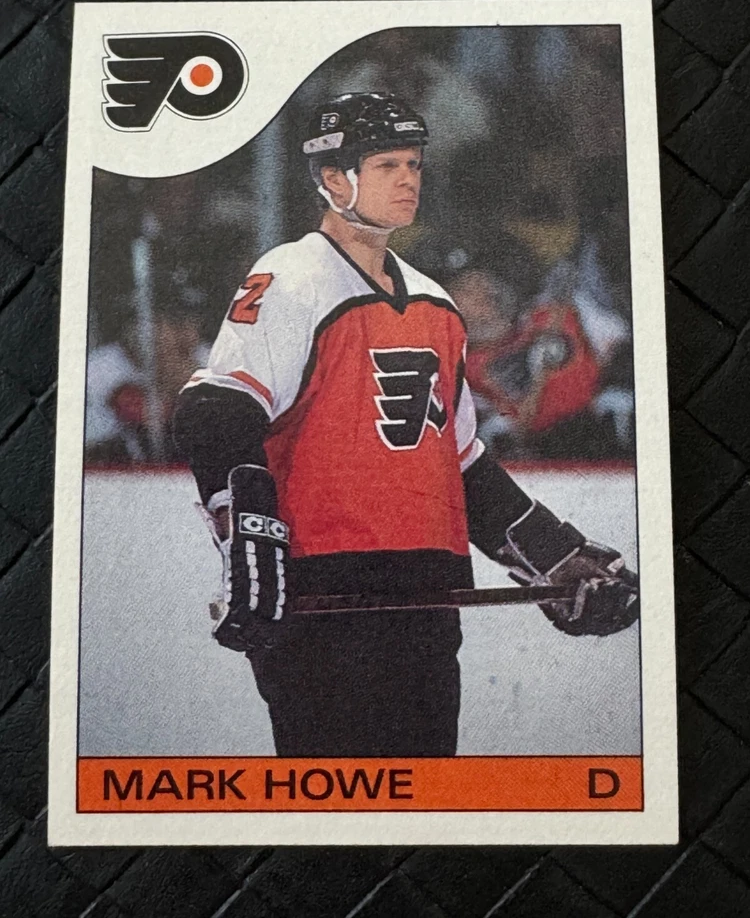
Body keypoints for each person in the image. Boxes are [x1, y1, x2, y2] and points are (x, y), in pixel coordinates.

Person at [173, 93, 638, 757]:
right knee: (334, 799)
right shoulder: (291, 275)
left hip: (429, 587)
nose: (408, 179)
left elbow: (461, 463)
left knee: (425, 798)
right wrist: (249, 536)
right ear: (334, 179)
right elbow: (216, 409)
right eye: (386, 164)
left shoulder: (435, 303)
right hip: (323, 585)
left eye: (413, 164)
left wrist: (555, 555)